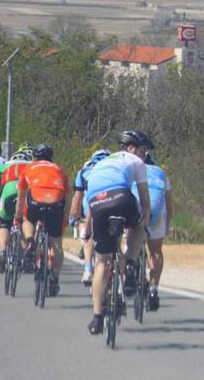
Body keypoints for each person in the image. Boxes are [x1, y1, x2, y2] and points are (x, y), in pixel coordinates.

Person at [84, 130, 151, 335]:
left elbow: (90, 202)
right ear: (131, 149)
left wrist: (87, 230)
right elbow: (144, 199)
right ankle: (130, 265)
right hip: (121, 197)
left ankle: (97, 318)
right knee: (139, 224)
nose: (144, 155)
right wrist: (144, 220)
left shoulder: (99, 164)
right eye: (143, 150)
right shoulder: (136, 162)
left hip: (97, 203)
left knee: (101, 262)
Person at [15, 143, 70, 297]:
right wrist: (64, 220)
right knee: (57, 244)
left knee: (27, 218)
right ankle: (55, 278)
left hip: (36, 200)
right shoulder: (59, 170)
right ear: (51, 157)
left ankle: (31, 241)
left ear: (34, 157)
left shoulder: (28, 168)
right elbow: (68, 198)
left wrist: (18, 216)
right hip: (56, 203)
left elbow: (21, 198)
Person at [131, 152, 173, 311]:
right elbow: (169, 205)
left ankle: (130, 268)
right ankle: (154, 289)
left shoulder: (132, 170)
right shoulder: (160, 172)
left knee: (129, 243)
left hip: (136, 211)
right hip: (156, 215)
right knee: (155, 251)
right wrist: (167, 224)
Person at [68, 148, 112, 286]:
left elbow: (77, 196)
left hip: (91, 206)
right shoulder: (114, 169)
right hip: (113, 203)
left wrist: (73, 215)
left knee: (88, 234)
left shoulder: (83, 171)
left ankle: (88, 268)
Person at [0, 148, 32, 273]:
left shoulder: (2, 168)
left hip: (7, 197)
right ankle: (27, 252)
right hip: (25, 198)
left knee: (4, 223)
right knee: (25, 221)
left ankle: (2, 251)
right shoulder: (32, 168)